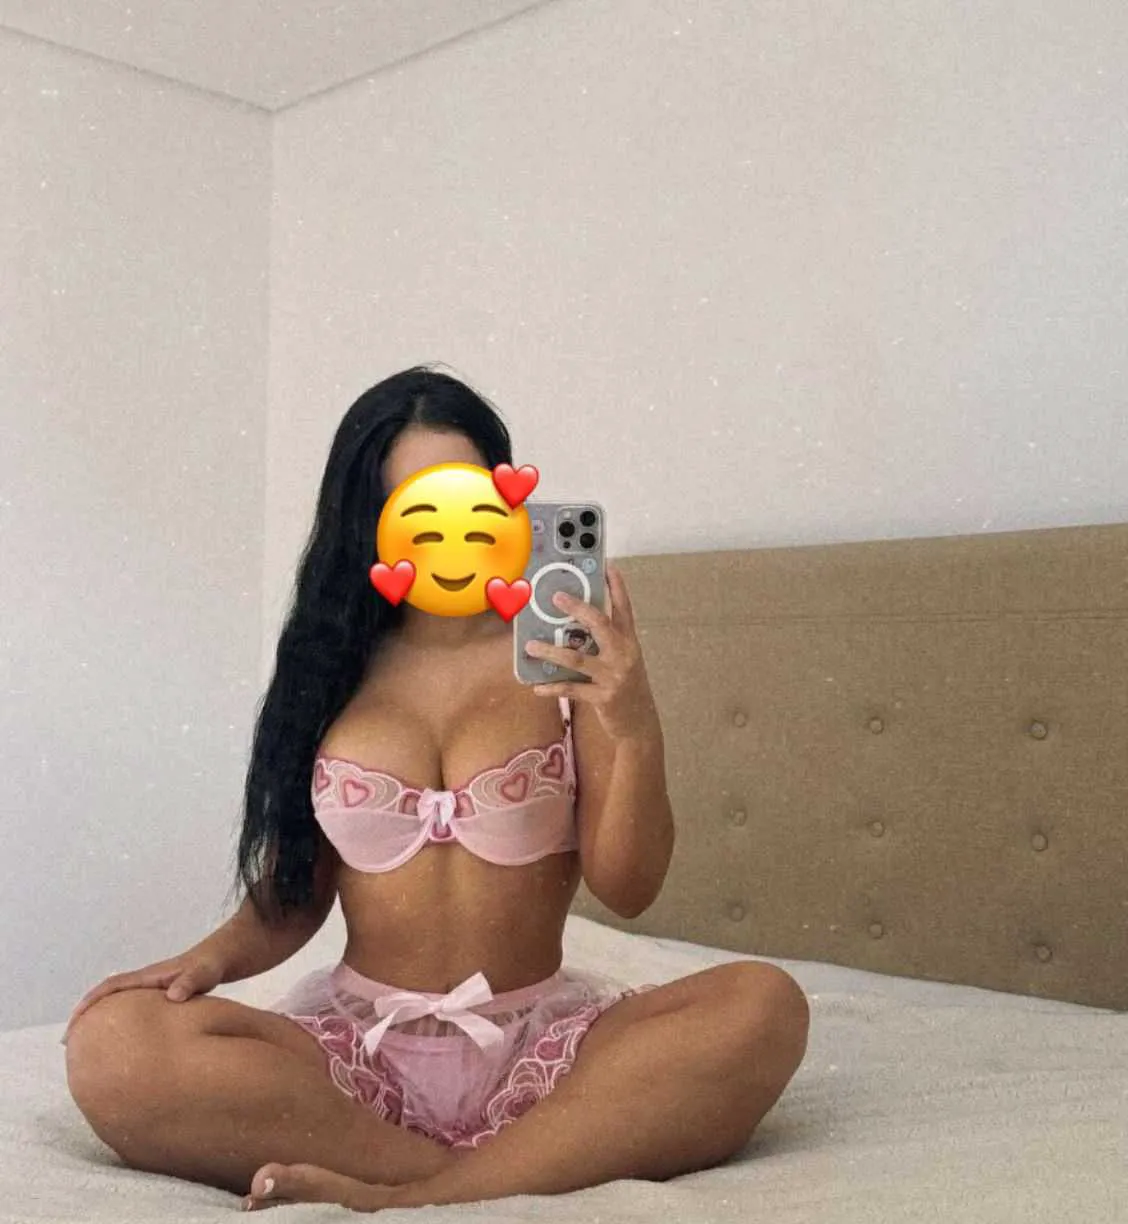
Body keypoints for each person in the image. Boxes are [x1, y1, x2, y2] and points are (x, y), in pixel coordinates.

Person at [62, 366, 810, 1212]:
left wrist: (633, 725)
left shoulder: (566, 655)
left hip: (544, 1054)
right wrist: (207, 960)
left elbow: (628, 888)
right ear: (370, 521)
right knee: (113, 1047)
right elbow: (296, 892)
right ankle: (479, 1174)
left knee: (764, 1005)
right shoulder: (330, 664)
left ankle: (411, 1197)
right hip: (359, 1063)